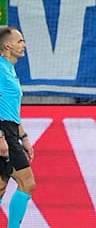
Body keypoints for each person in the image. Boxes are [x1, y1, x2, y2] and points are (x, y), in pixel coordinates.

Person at [0, 27, 36, 228]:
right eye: (20, 41)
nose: (24, 45)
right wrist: (1, 137)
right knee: (27, 183)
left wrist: (25, 138)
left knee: (1, 187)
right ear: (8, 45)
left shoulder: (9, 69)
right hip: (3, 131)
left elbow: (10, 109)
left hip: (11, 130)